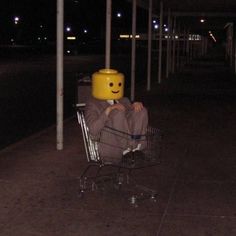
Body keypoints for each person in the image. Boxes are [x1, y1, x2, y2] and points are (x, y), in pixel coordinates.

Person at [85, 69, 148, 163]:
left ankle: (136, 148)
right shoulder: (93, 104)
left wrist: (136, 105)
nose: (116, 87)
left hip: (132, 144)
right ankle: (127, 150)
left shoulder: (123, 100)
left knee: (141, 110)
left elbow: (132, 118)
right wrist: (108, 110)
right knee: (117, 112)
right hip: (111, 145)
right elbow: (93, 130)